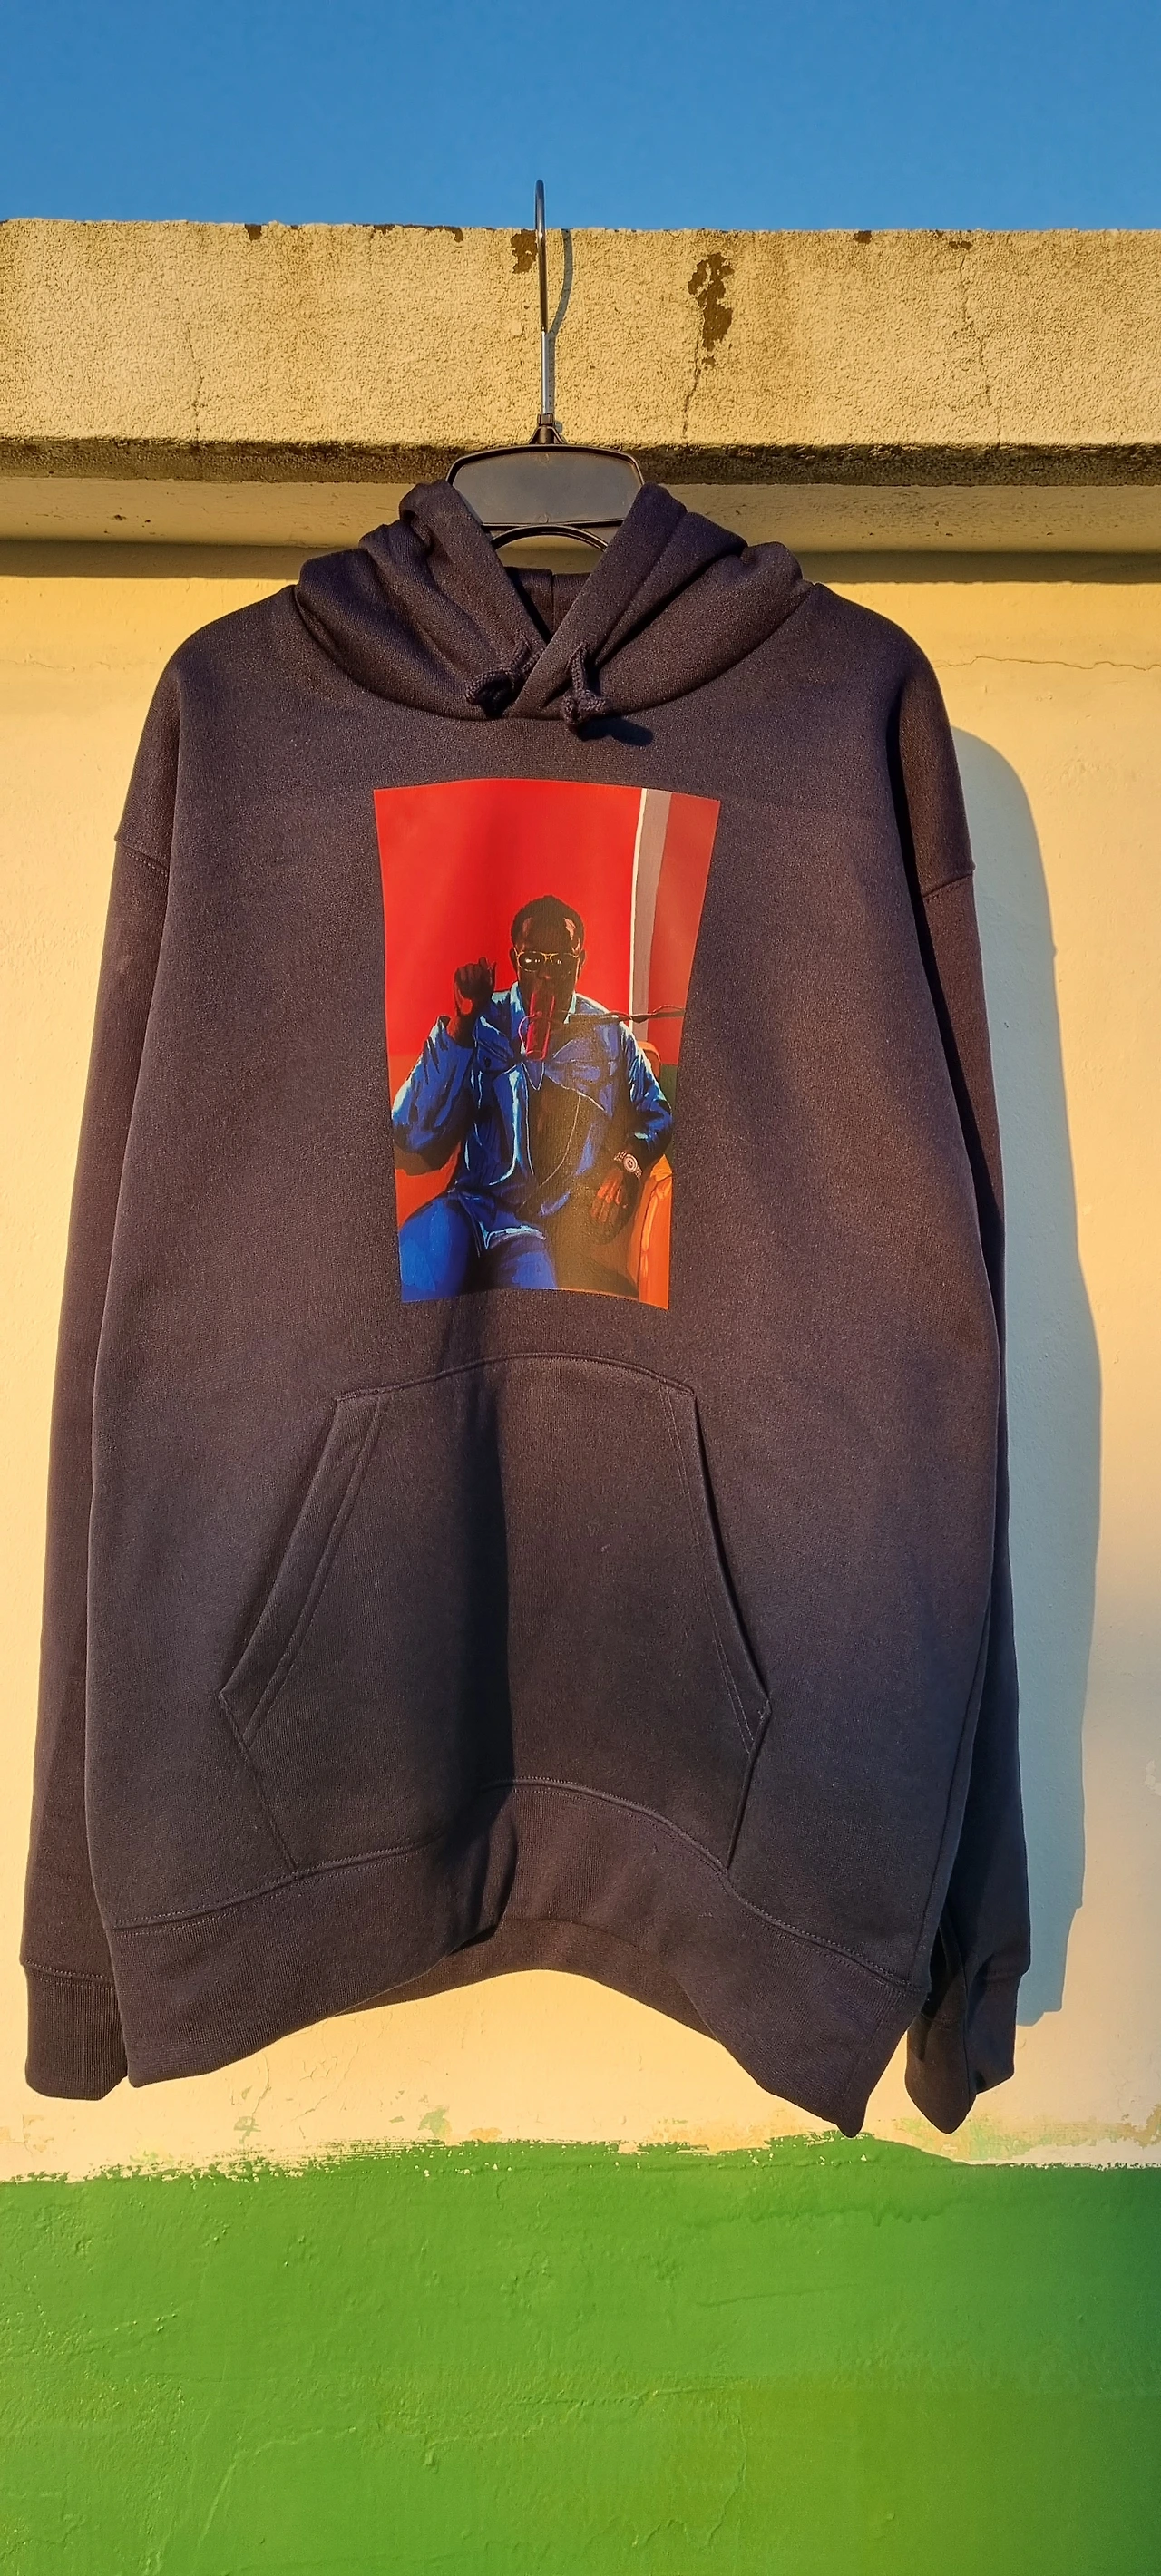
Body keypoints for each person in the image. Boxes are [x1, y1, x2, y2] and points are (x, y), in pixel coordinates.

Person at [392, 893, 673, 1298]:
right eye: (533, 961)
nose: (546, 975)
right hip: (464, 1208)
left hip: (531, 1230)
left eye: (560, 963)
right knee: (412, 1279)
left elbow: (657, 1111)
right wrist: (460, 1026)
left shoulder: (610, 1036)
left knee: (535, 1317)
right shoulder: (481, 1019)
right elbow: (409, 1131)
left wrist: (628, 1164)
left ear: (580, 963)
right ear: (514, 960)